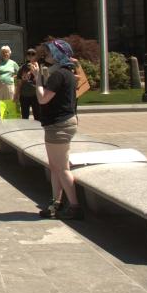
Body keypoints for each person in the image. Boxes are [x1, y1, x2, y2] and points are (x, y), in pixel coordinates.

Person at [30, 39, 82, 220]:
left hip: (59, 124)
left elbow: (43, 99)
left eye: (51, 53)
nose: (48, 56)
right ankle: (56, 203)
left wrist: (38, 79)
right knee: (55, 167)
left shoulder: (59, 74)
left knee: (61, 168)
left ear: (59, 55)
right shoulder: (65, 73)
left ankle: (74, 206)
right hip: (57, 123)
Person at [0, 45, 19, 121]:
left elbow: (19, 73)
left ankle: (9, 123)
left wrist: (13, 77)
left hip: (10, 85)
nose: (5, 54)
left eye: (7, 52)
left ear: (10, 53)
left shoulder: (13, 63)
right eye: (3, 52)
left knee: (9, 103)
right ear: (1, 53)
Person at [17, 48, 42, 120]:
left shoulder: (40, 67)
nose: (31, 56)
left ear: (36, 56)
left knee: (38, 115)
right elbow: (19, 83)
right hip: (24, 95)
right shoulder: (22, 68)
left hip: (36, 94)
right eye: (29, 54)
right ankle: (26, 130)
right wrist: (16, 95)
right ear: (26, 56)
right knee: (25, 116)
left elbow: (43, 81)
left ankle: (38, 129)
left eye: (33, 54)